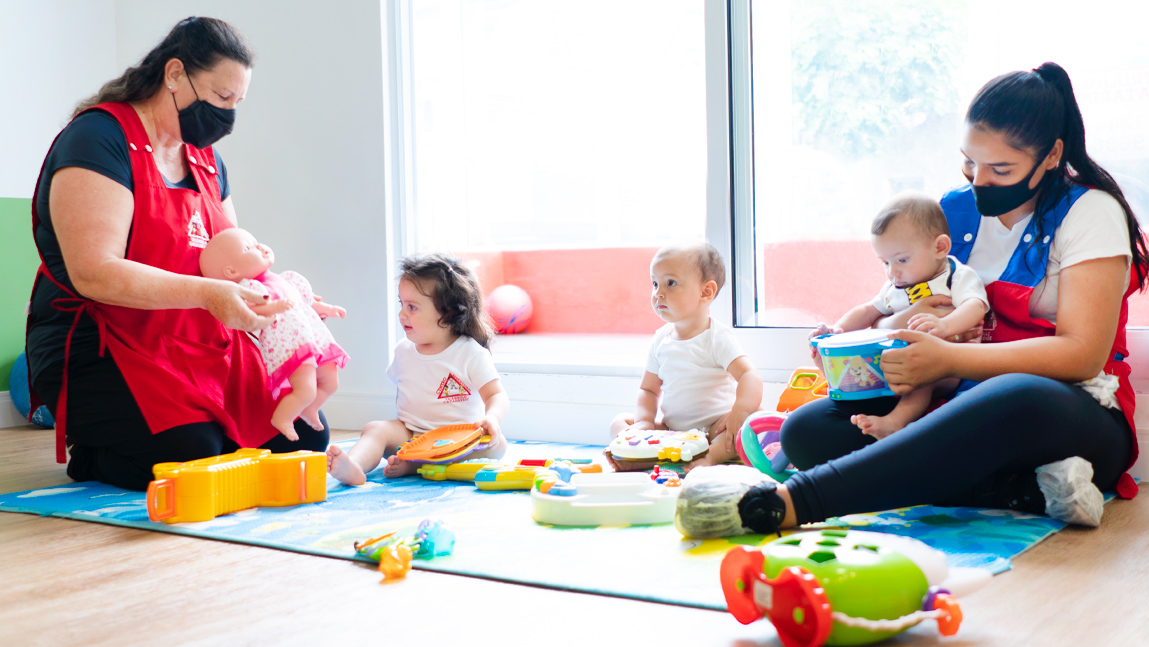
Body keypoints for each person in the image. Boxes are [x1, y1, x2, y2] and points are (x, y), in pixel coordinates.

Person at [678, 62, 1146, 538]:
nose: (979, 179)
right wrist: (868, 344)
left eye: (1001, 168)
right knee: (807, 430)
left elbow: (1083, 354)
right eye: (969, 162)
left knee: (1015, 393)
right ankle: (1020, 489)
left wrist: (948, 357)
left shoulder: (1090, 213)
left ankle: (795, 501)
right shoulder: (950, 213)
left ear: (1051, 156)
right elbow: (896, 307)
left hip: (1070, 411)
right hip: (949, 397)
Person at [24, 17, 329, 492]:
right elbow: (94, 273)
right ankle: (93, 456)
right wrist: (211, 294)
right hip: (99, 340)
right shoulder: (99, 139)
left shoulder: (206, 159)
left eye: (236, 102)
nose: (227, 114)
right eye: (220, 97)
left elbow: (236, 257)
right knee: (191, 453)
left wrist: (290, 300)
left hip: (189, 338)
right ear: (173, 75)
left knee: (305, 437)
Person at [811, 193, 988, 439]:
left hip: (947, 367)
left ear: (939, 247)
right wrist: (836, 332)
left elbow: (976, 306)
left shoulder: (955, 275)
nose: (892, 272)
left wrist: (944, 325)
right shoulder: (896, 286)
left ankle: (895, 422)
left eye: (902, 260)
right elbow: (867, 310)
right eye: (884, 263)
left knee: (923, 377)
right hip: (898, 366)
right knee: (863, 372)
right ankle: (832, 373)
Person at [326, 253, 509, 485]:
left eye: (412, 307)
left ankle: (414, 465)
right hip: (411, 435)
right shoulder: (403, 350)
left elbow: (496, 395)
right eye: (402, 304)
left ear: (449, 313)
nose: (402, 314)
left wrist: (492, 418)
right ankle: (354, 465)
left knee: (497, 445)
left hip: (459, 440)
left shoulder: (469, 353)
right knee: (376, 429)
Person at [607, 243, 763, 471]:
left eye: (670, 283)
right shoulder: (661, 339)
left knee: (752, 421)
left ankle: (709, 458)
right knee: (620, 422)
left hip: (714, 429)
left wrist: (739, 411)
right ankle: (643, 455)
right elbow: (648, 390)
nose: (658, 292)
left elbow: (750, 375)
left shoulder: (717, 337)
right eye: (655, 283)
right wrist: (644, 422)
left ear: (705, 292)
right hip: (673, 432)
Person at [199, 228, 349, 440]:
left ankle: (309, 409)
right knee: (305, 389)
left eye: (256, 242)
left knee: (331, 382)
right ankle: (283, 418)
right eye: (248, 248)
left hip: (313, 337)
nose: (259, 247)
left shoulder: (285, 279)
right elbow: (251, 310)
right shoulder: (251, 288)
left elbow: (307, 302)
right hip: (289, 344)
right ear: (231, 272)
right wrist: (273, 307)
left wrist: (327, 308)